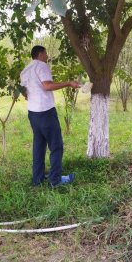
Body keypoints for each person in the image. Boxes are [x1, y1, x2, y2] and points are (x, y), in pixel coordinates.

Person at [20, 45, 80, 187]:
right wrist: (68, 83)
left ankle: (38, 178)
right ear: (40, 54)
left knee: (39, 146)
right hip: (45, 112)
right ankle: (55, 180)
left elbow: (23, 92)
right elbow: (47, 86)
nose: (47, 56)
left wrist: (32, 95)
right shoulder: (42, 66)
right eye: (46, 53)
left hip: (33, 113)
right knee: (56, 146)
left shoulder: (25, 70)